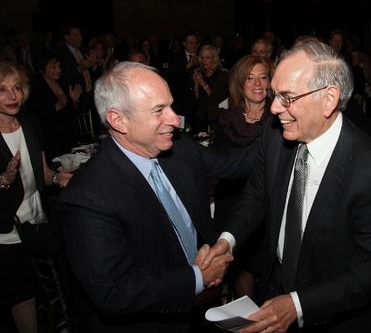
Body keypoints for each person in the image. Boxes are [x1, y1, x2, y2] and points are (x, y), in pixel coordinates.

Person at [201, 42, 371, 332]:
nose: (273, 107)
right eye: (275, 94)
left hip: (333, 311)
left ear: (329, 99)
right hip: (275, 288)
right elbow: (257, 195)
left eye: (287, 97)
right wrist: (227, 241)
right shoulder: (275, 137)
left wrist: (298, 305)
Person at [58, 61, 258, 332]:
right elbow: (115, 291)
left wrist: (291, 127)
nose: (175, 120)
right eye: (158, 111)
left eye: (171, 106)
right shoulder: (89, 195)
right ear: (118, 120)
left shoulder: (178, 148)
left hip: (200, 313)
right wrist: (197, 277)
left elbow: (232, 163)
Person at [0, 62, 72, 333]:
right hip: (7, 231)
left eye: (17, 88)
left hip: (38, 221)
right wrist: (4, 180)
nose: (12, 96)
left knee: (52, 287)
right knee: (23, 297)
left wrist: (57, 178)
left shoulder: (29, 123)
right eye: (3, 90)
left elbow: (42, 173)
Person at [212, 55, 275, 301]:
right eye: (250, 78)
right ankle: (248, 318)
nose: (257, 84)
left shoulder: (280, 119)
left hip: (267, 202)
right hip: (233, 199)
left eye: (263, 77)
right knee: (240, 263)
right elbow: (221, 165)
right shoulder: (226, 120)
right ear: (240, 83)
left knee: (268, 263)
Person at [25, 53, 82, 164]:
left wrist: (74, 101)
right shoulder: (34, 86)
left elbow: (72, 110)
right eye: (53, 67)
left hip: (68, 133)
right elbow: (35, 113)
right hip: (50, 136)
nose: (58, 70)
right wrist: (57, 106)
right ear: (42, 68)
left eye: (59, 67)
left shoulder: (65, 83)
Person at [191, 44, 229, 134]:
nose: (204, 60)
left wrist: (203, 83)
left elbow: (217, 99)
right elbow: (196, 100)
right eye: (203, 57)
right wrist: (196, 84)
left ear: (214, 58)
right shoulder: (201, 74)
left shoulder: (222, 76)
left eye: (207, 57)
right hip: (201, 116)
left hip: (216, 117)